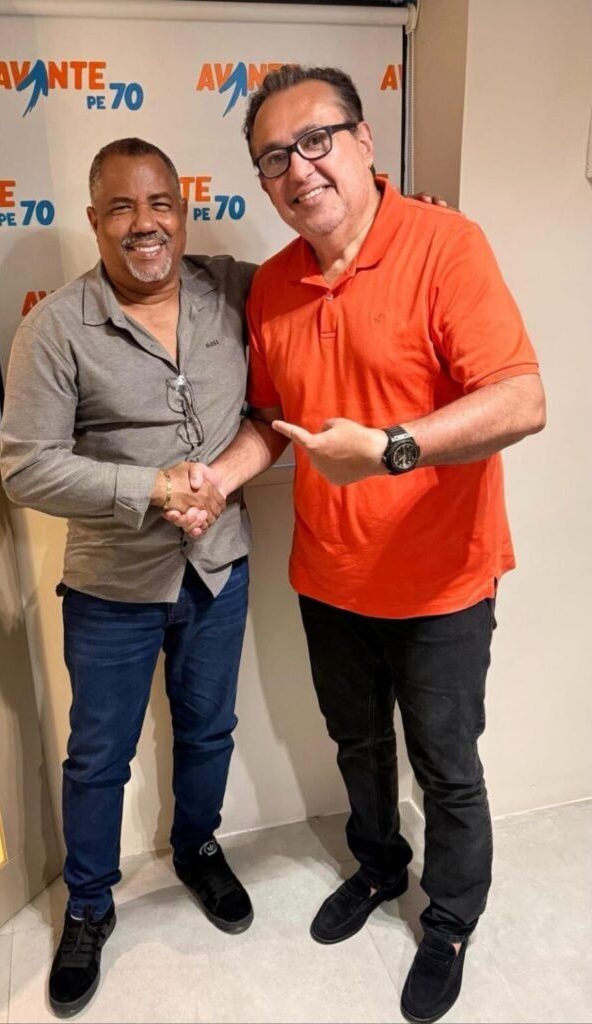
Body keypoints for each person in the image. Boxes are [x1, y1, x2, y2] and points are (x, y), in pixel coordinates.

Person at [167, 65, 546, 1024]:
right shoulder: (274, 285)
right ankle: (378, 866)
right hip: (329, 577)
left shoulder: (446, 244)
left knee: (446, 766)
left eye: (315, 140)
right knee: (357, 744)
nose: (298, 169)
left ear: (363, 140)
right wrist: (218, 479)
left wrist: (390, 447)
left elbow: (519, 399)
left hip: (443, 582)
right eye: (273, 158)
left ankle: (450, 919)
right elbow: (270, 420)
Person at [0, 137, 258, 1018]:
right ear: (94, 219)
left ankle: (197, 849)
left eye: (160, 204)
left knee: (210, 731)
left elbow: (328, 274)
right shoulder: (55, 327)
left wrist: (407, 220)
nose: (144, 224)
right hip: (111, 587)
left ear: (183, 212)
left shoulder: (231, 289)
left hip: (218, 570)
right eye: (121, 207)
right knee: (99, 756)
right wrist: (150, 488)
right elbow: (26, 468)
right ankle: (89, 903)